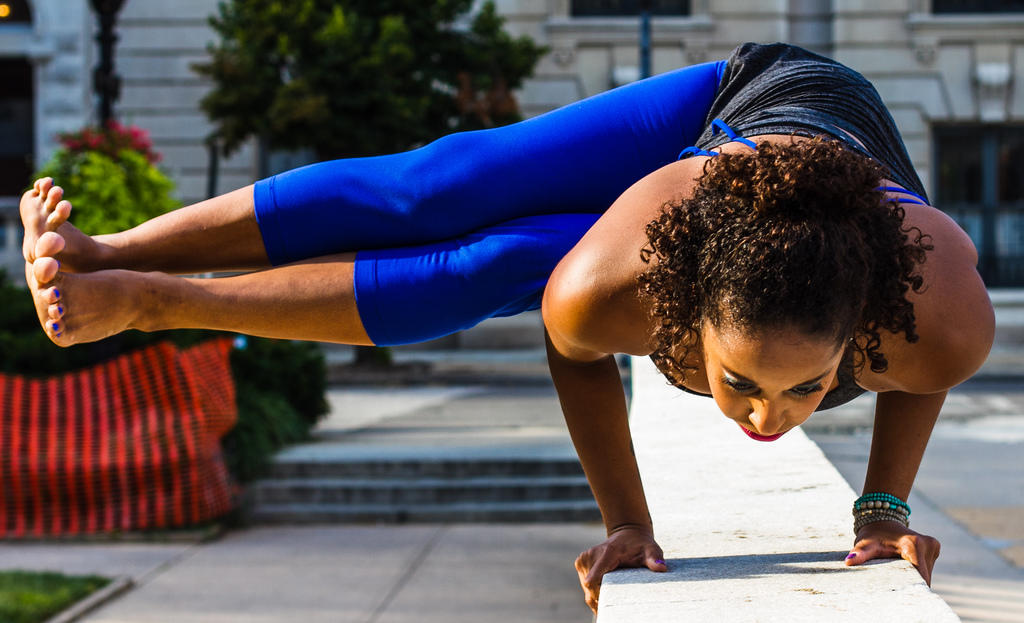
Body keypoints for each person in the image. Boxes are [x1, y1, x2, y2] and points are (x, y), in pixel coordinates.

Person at [21, 43, 992, 612]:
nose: (767, 418)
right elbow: (572, 347)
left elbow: (921, 372)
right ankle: (110, 252)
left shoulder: (935, 316)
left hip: (834, 184)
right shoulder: (619, 278)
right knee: (447, 196)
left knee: (499, 258)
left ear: (855, 341)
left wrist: (882, 513)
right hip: (733, 103)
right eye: (739, 381)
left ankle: (150, 300)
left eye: (803, 388)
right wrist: (625, 519)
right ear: (685, 310)